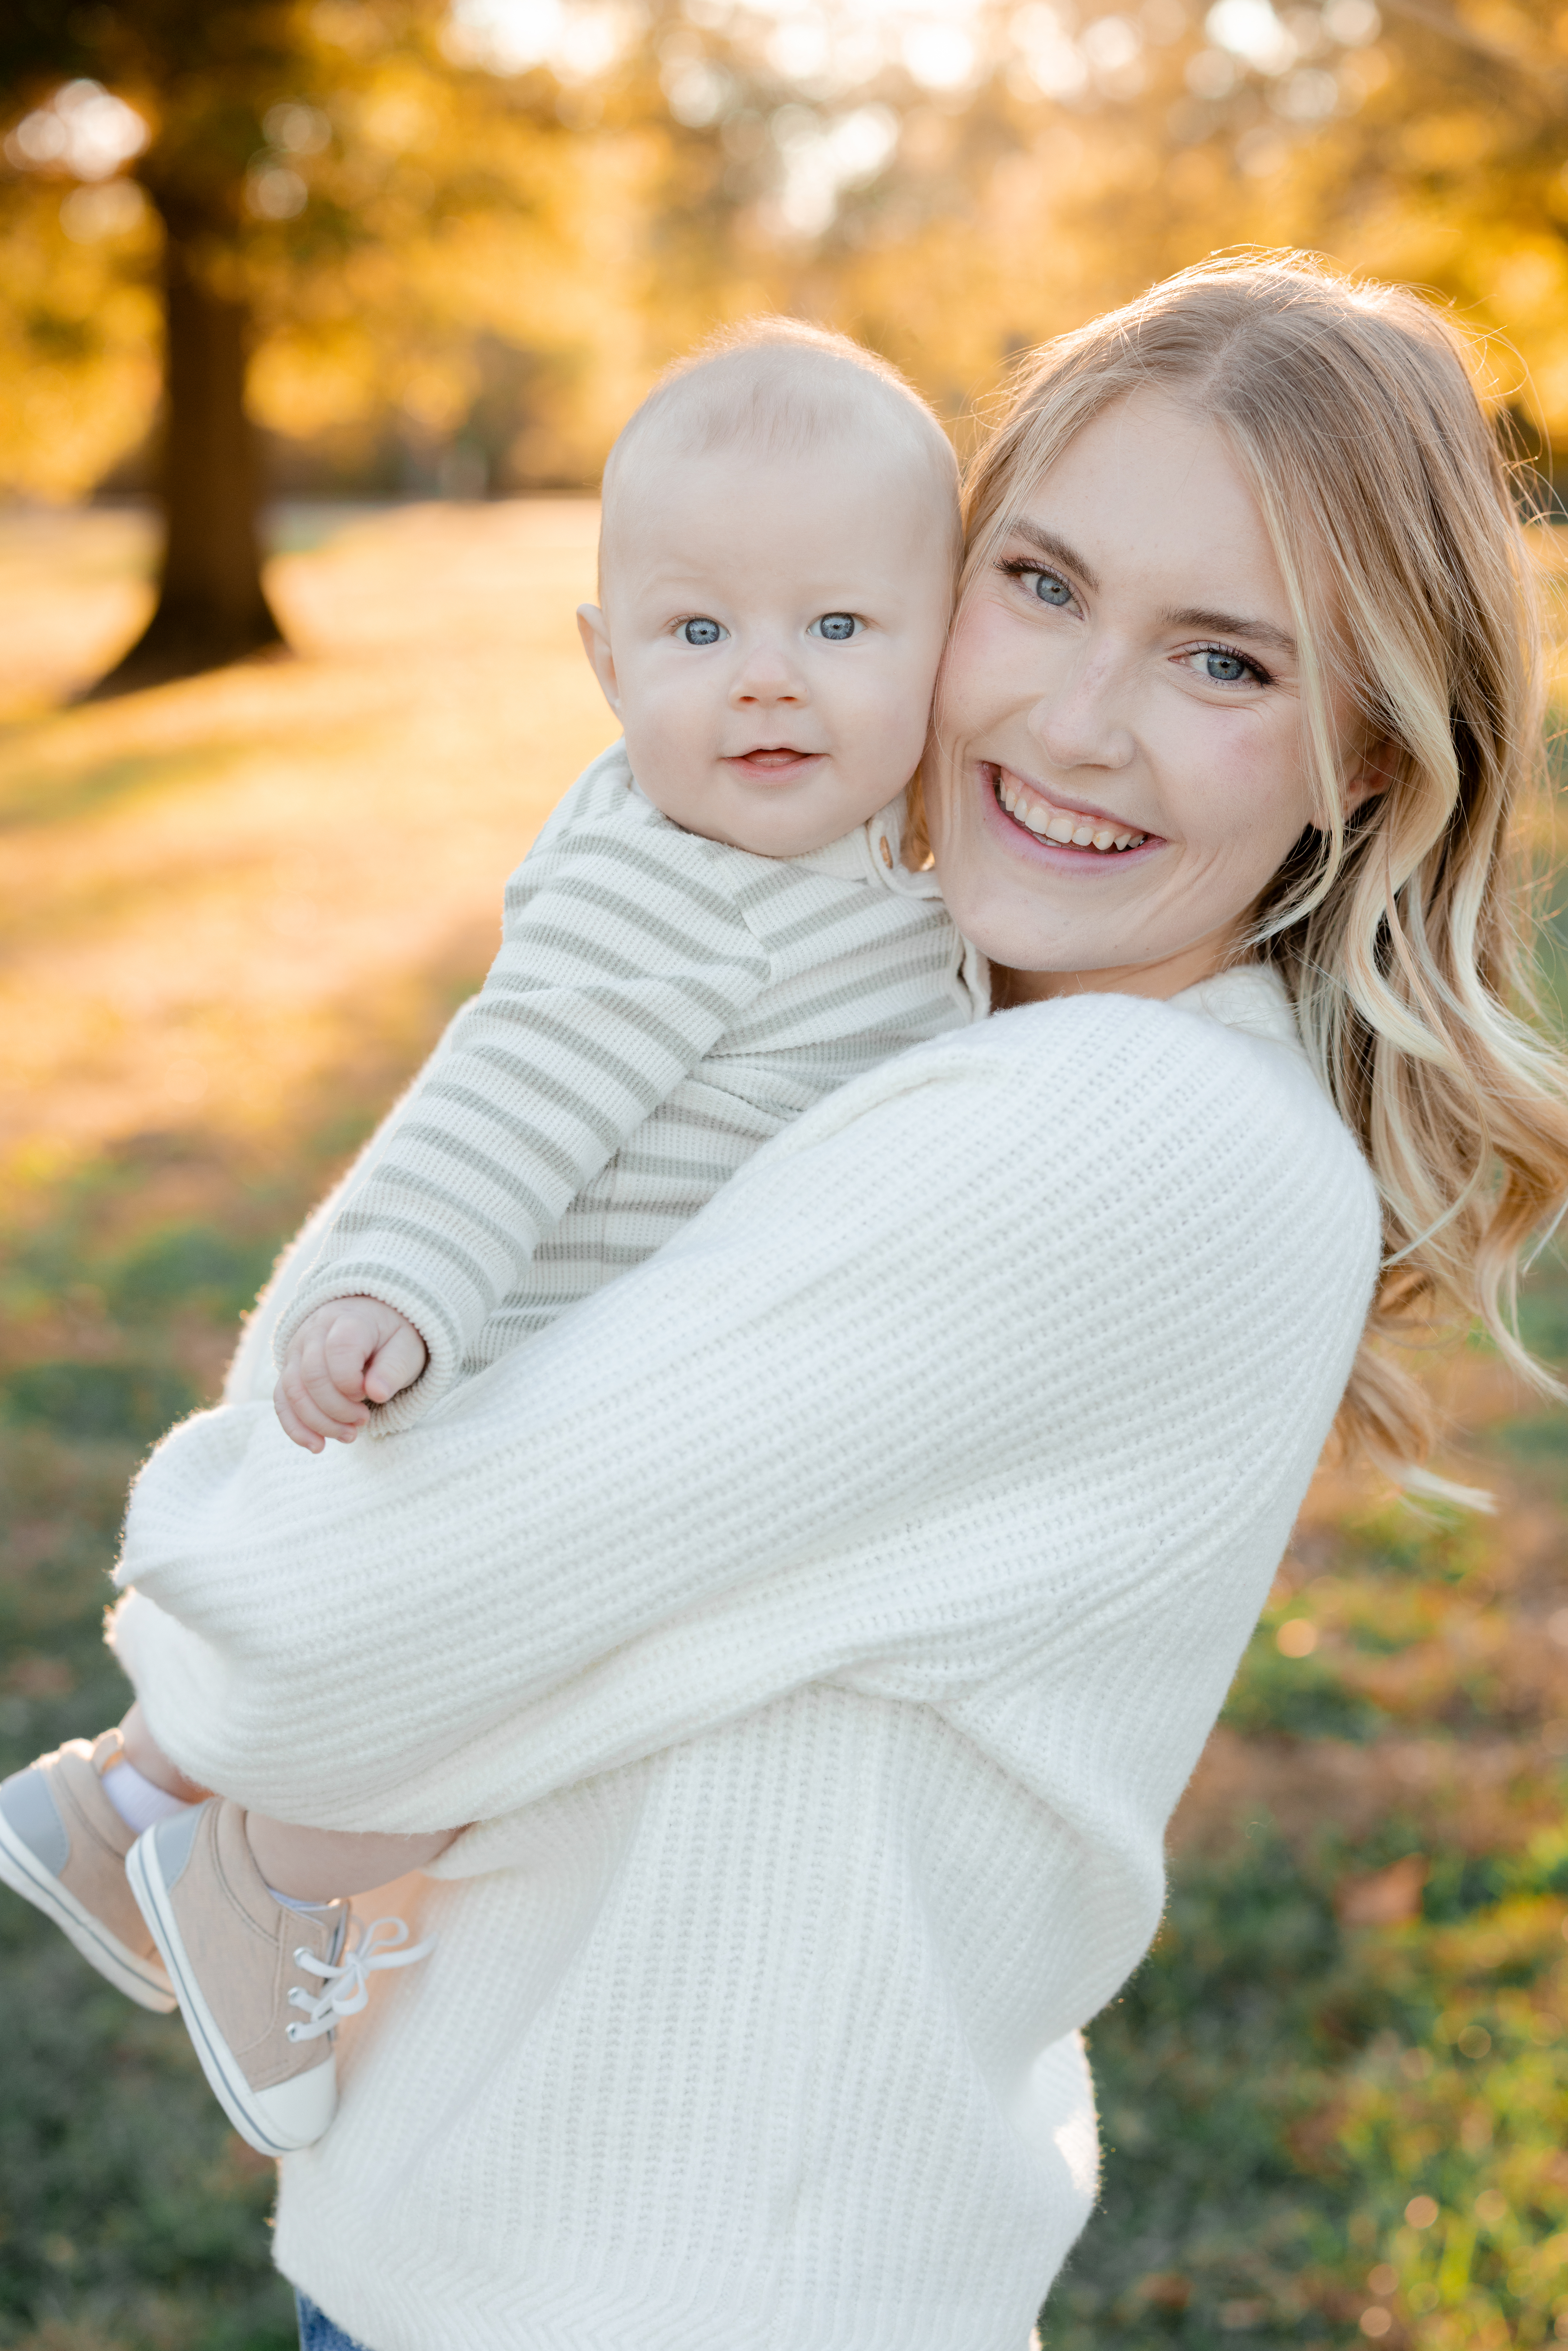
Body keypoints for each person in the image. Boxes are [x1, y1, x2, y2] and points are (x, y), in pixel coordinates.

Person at [26, 257, 1568, 2351]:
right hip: (499, 2252)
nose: (1072, 716)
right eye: (1038, 585)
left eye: (1223, 660)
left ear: (1373, 763)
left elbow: (294, 1639)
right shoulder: (920, 1033)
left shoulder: (1113, 1131)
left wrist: (200, 1643)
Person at [0, 319, 985, 2152]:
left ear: (946, 642)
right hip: (538, 1368)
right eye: (699, 636)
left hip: (654, 1355)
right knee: (530, 1695)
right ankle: (266, 1877)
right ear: (605, 664)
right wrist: (401, 1288)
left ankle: (117, 1806)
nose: (766, 686)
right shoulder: (670, 882)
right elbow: (501, 1094)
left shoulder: (868, 850)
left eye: (838, 631)